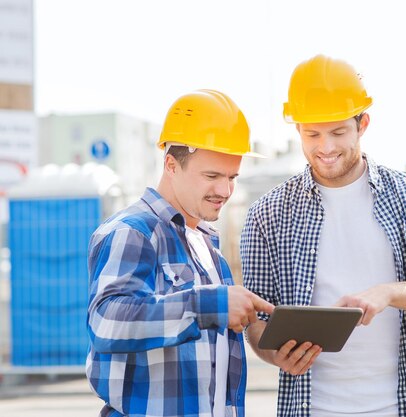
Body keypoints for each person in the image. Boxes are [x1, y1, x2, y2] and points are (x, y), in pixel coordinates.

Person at [240, 55, 406, 417]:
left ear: (362, 124)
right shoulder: (267, 216)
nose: (326, 148)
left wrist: (390, 292)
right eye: (312, 134)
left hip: (405, 407)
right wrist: (275, 354)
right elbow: (256, 321)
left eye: (337, 132)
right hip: (312, 408)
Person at [86, 89, 274, 417]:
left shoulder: (209, 248)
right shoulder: (134, 231)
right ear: (171, 165)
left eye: (232, 177)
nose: (225, 191)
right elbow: (106, 322)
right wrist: (208, 305)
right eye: (212, 176)